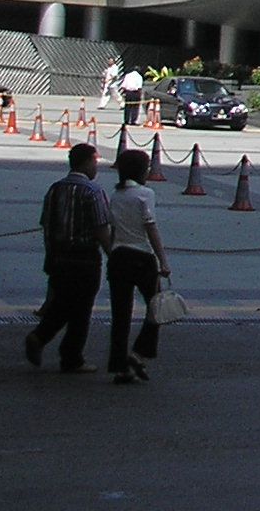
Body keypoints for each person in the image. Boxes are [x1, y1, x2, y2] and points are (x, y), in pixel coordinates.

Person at [26, 143, 111, 373]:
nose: (96, 166)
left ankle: (42, 338)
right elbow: (100, 227)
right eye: (95, 161)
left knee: (62, 301)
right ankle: (69, 355)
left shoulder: (55, 189)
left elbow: (46, 226)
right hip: (85, 258)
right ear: (87, 162)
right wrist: (112, 253)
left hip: (59, 256)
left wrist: (50, 256)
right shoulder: (93, 191)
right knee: (81, 309)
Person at [104, 147, 170, 384]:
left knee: (120, 315)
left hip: (119, 256)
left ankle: (121, 366)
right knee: (156, 308)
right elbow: (150, 227)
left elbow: (111, 229)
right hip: (142, 257)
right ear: (142, 170)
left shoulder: (116, 195)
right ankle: (138, 352)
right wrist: (163, 260)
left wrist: (110, 253)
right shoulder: (145, 194)